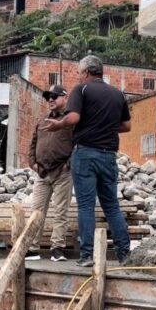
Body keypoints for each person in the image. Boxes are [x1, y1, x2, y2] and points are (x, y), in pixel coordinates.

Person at [43, 55, 131, 267]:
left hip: (85, 154)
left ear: (86, 72)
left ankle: (87, 255)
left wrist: (58, 124)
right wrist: (104, 127)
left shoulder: (81, 90)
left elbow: (73, 118)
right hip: (109, 155)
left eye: (79, 72)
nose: (78, 76)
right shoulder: (118, 94)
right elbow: (126, 126)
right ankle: (124, 254)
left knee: (86, 206)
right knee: (112, 206)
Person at [25, 85, 73, 262]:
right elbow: (33, 144)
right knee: (36, 211)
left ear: (65, 97)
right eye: (48, 97)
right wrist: (33, 164)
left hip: (62, 173)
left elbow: (79, 143)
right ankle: (32, 249)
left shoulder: (71, 120)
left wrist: (68, 164)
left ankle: (57, 248)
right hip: (42, 173)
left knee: (61, 211)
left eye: (54, 96)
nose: (50, 99)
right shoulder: (42, 121)